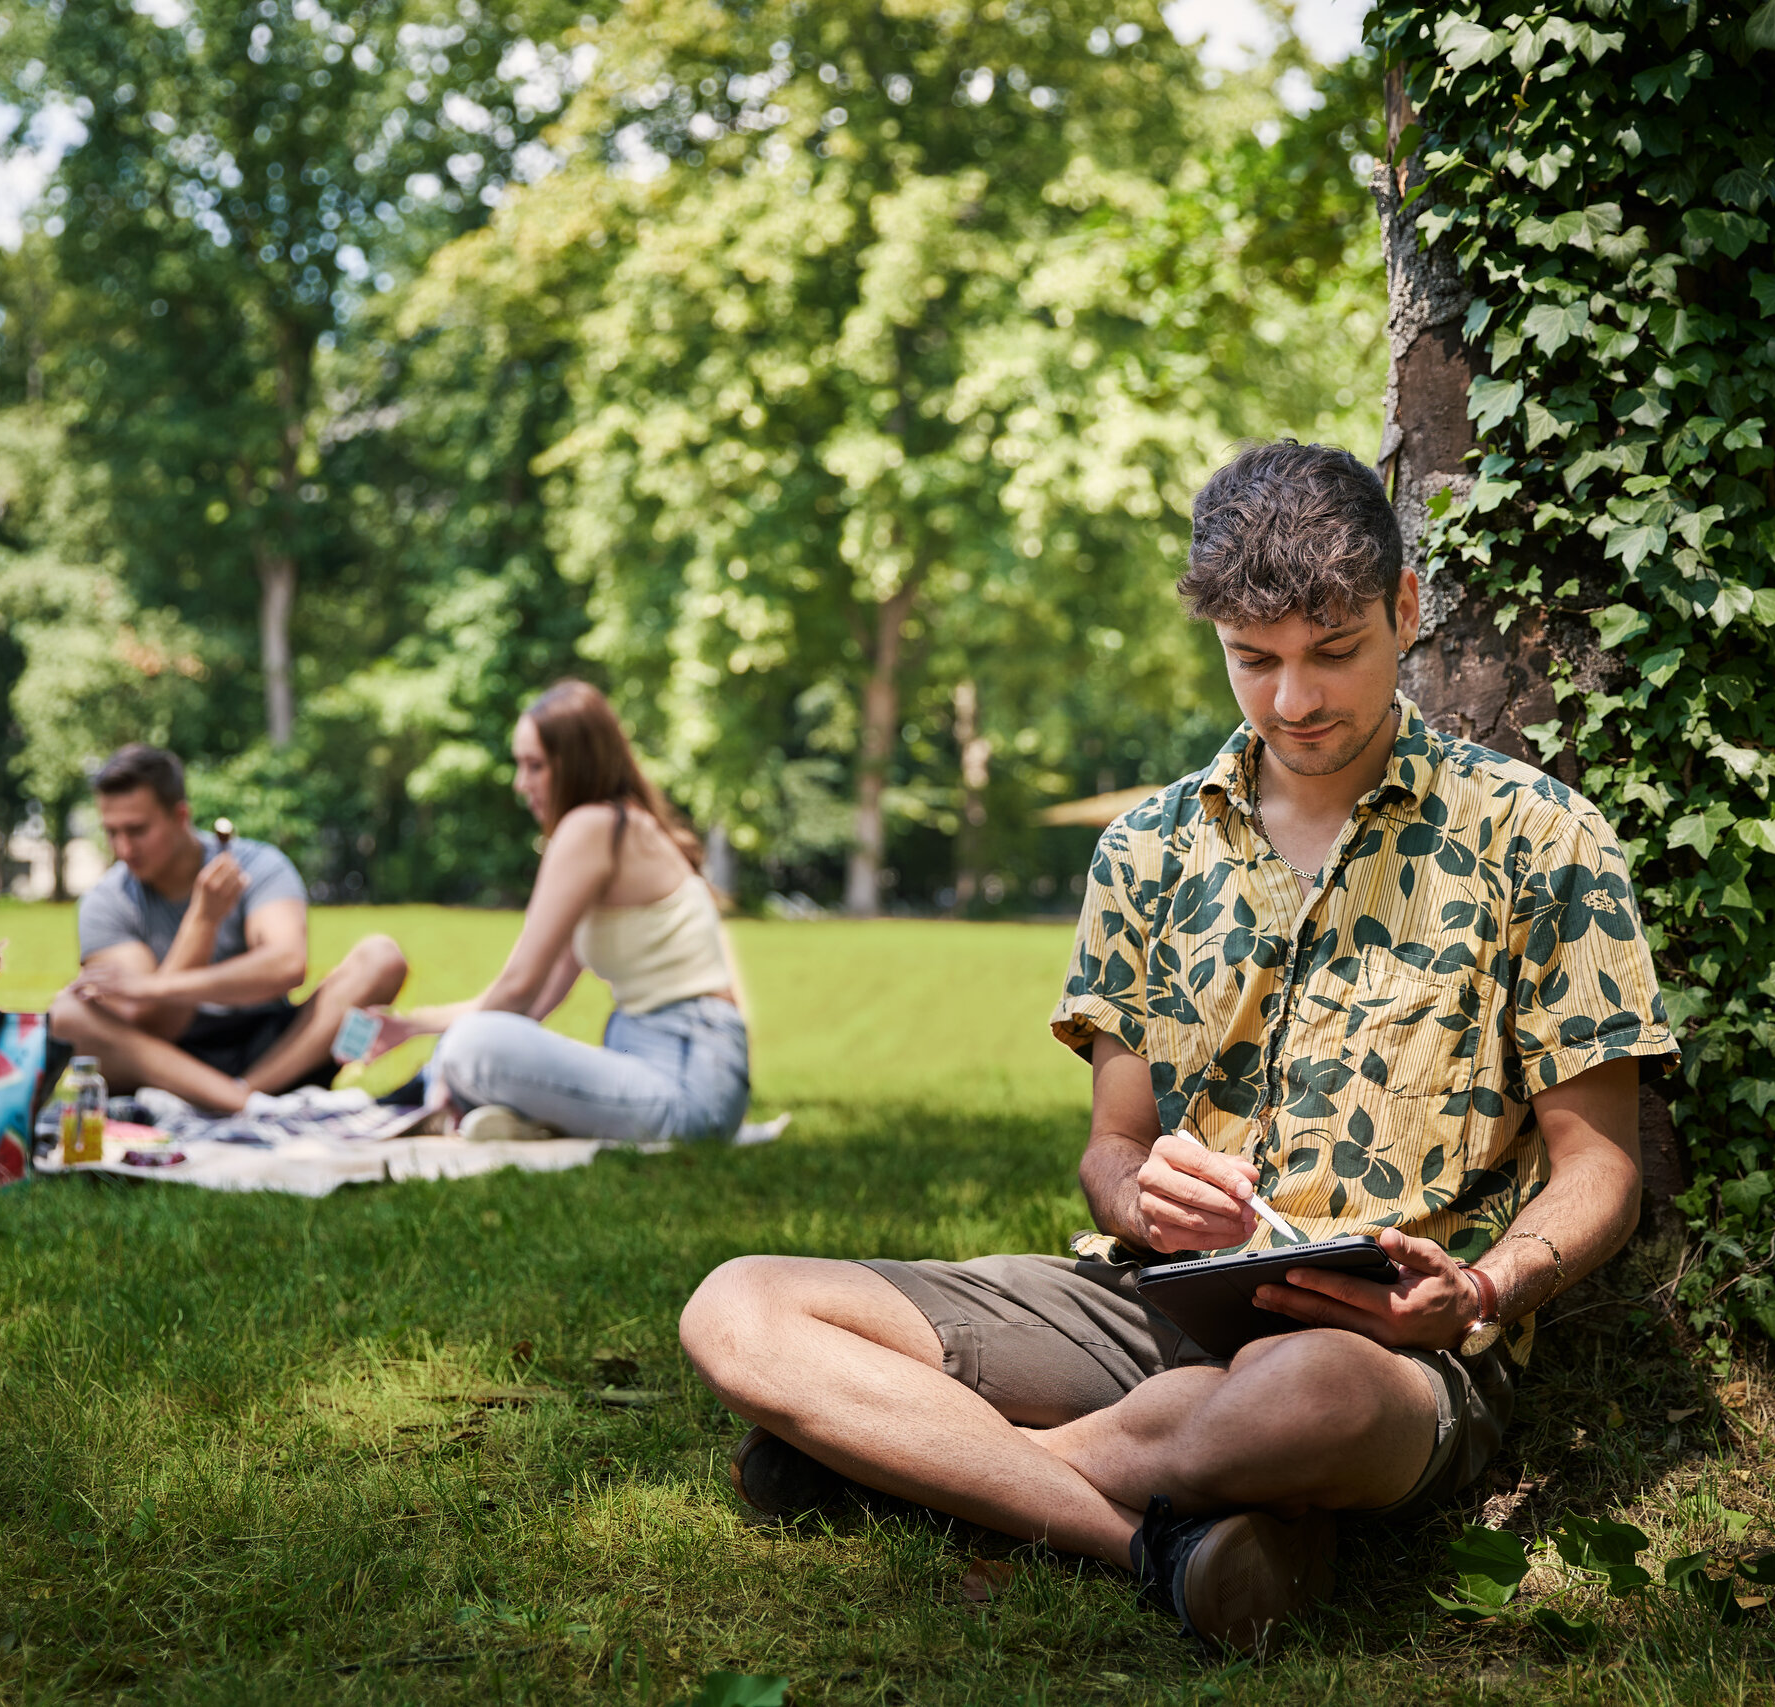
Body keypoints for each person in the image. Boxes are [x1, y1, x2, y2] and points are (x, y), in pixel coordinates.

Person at [676, 440, 1677, 1651]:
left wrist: (1480, 1290)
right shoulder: (1145, 851)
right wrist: (1144, 1199)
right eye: (1253, 662)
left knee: (1304, 1396)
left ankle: (908, 1467)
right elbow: (1111, 1150)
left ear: (1405, 610)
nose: (1294, 701)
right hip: (1148, 1307)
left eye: (1333, 652)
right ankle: (1162, 1543)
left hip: (1385, 1351)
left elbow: (1600, 1171)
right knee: (737, 1309)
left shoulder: (1542, 837)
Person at [378, 680, 749, 1144]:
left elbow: (518, 986)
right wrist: (414, 1029)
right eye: (519, 765)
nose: (521, 784)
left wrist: (442, 1053)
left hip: (692, 1085)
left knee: (472, 1046)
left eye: (535, 766)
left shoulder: (594, 827)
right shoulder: (617, 827)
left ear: (575, 764)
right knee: (471, 1045)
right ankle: (519, 1116)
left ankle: (504, 1109)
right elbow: (535, 1004)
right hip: (658, 1059)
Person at [46, 745, 406, 1113]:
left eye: (137, 831)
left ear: (180, 816)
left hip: (276, 1052)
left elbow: (287, 968)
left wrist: (155, 985)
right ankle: (247, 1105)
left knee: (382, 958)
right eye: (112, 832)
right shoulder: (106, 901)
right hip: (168, 1065)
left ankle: (243, 1097)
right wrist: (202, 922)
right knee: (66, 1014)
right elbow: (157, 1027)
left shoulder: (260, 864)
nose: (123, 848)